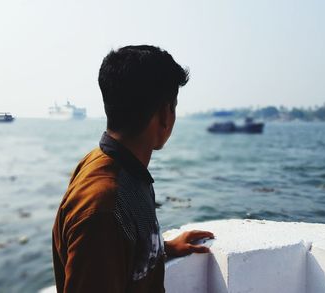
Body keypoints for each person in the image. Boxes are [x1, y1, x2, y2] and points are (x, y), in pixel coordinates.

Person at [52, 45, 214, 293]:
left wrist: (164, 248)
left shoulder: (114, 167)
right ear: (164, 114)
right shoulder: (104, 209)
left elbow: (121, 250)